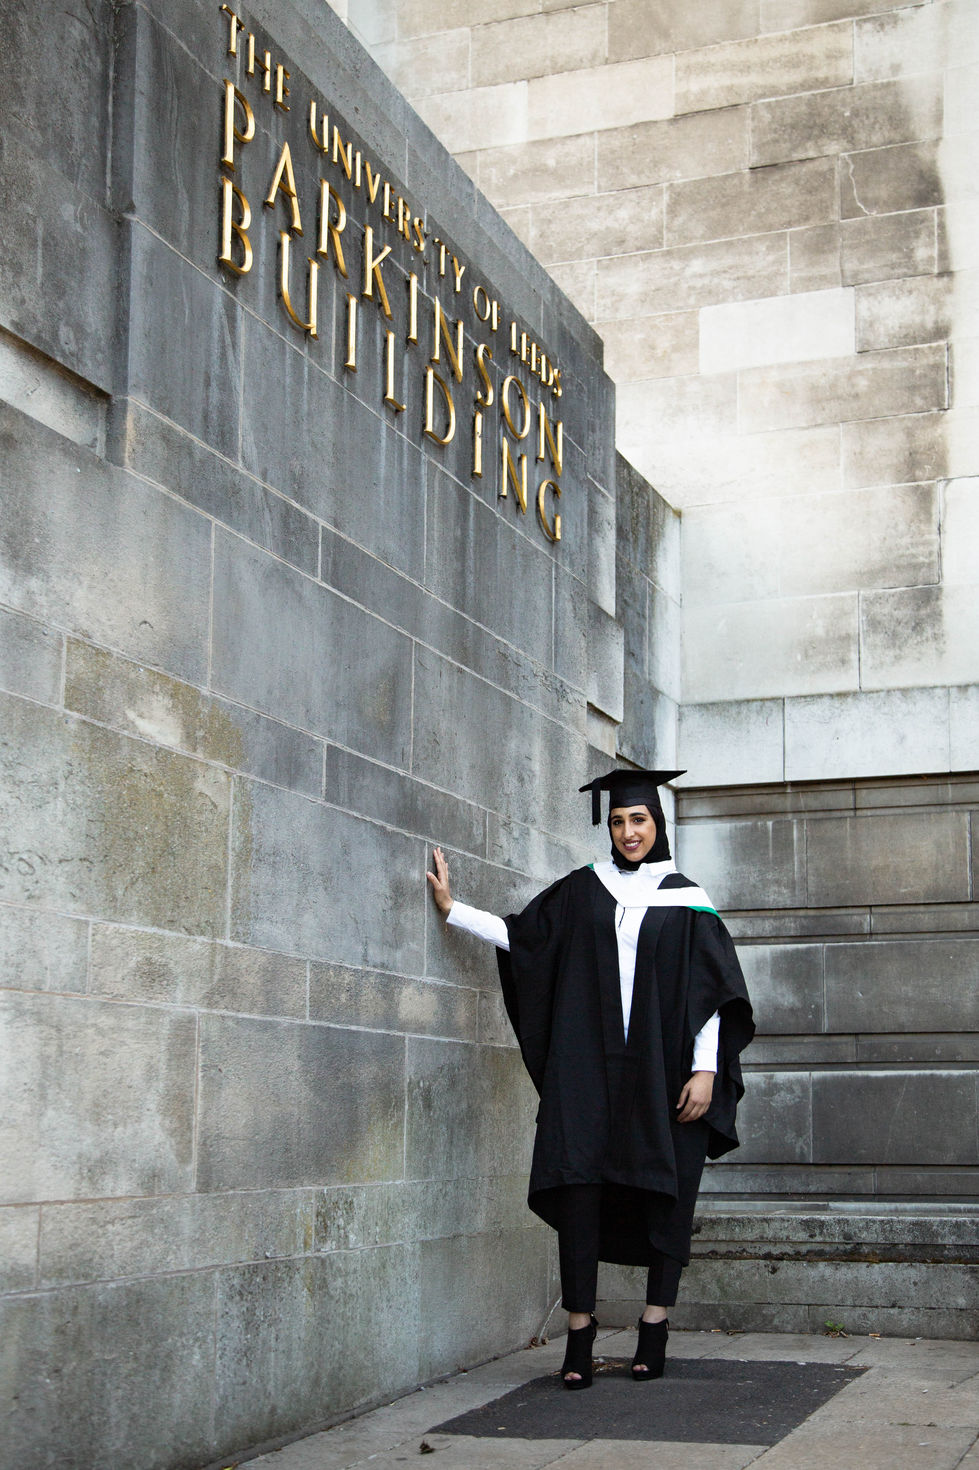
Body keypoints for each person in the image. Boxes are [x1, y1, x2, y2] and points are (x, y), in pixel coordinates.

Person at [426, 767, 754, 1389]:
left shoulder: (687, 899)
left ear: (657, 826)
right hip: (590, 1073)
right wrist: (454, 910)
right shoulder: (583, 890)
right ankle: (580, 1335)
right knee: (577, 1183)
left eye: (639, 820)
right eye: (618, 822)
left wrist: (707, 1070)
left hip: (666, 1075)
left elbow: (712, 994)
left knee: (671, 1188)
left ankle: (654, 1328)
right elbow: (526, 940)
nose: (629, 832)